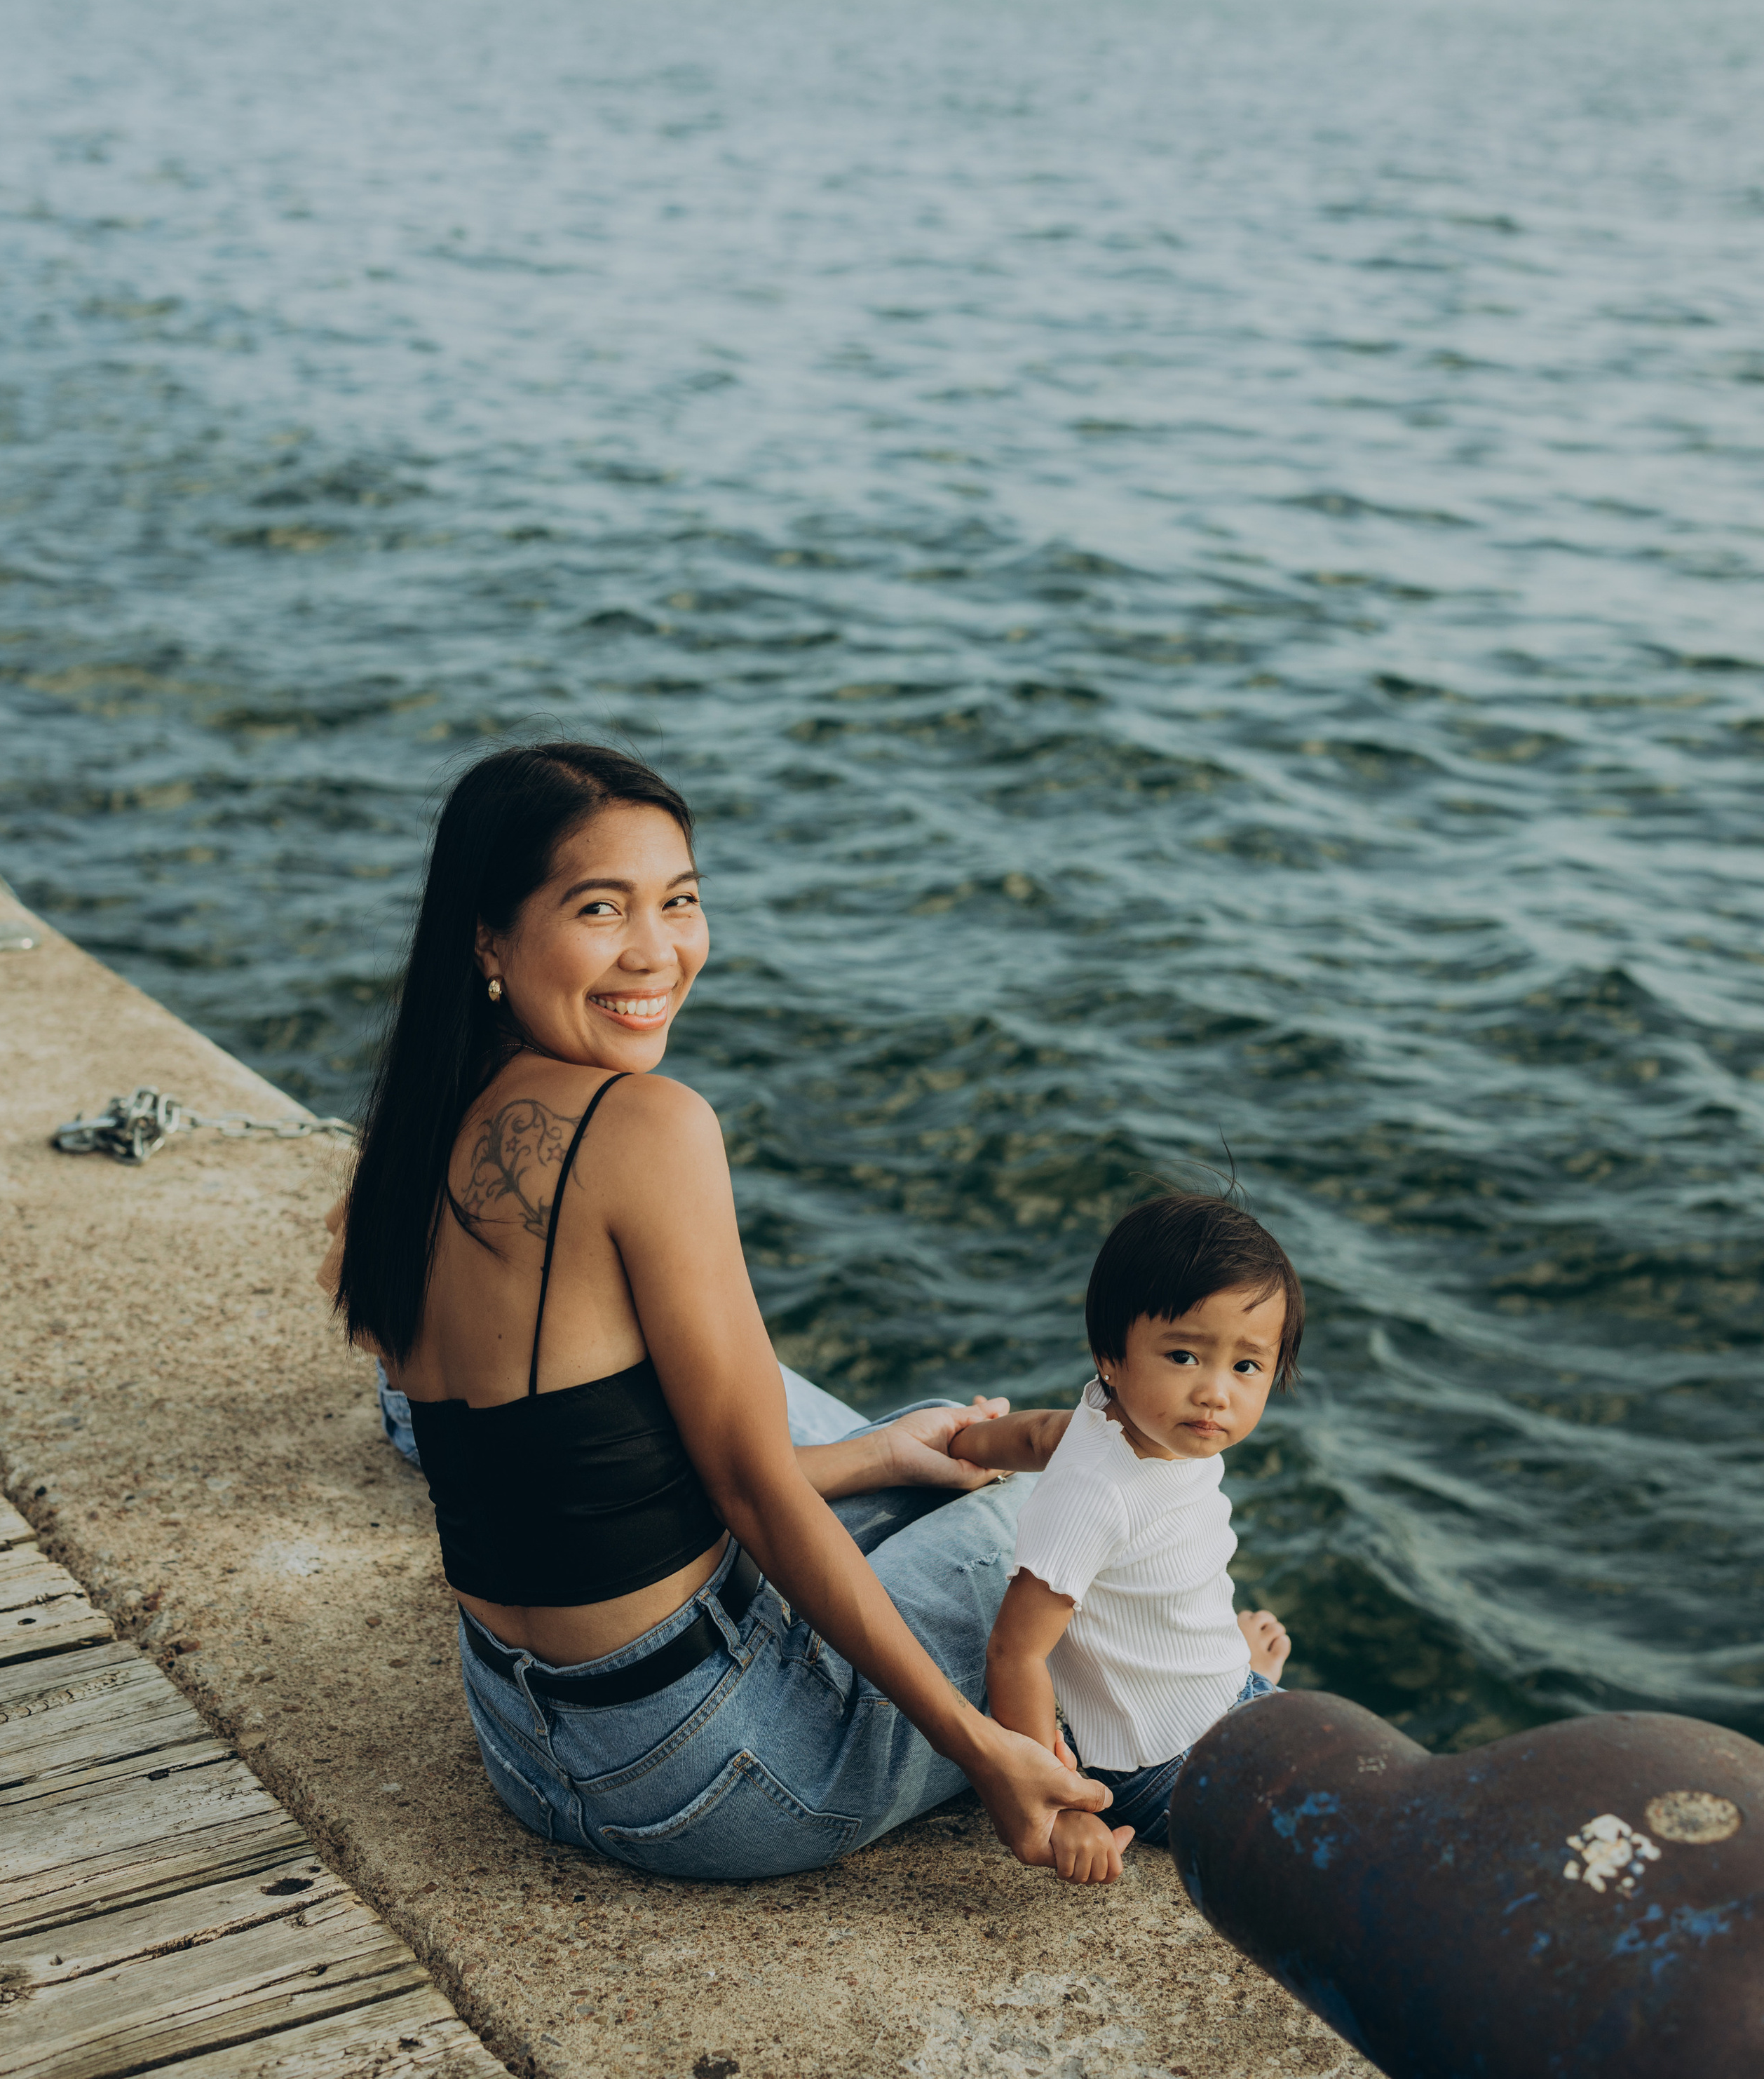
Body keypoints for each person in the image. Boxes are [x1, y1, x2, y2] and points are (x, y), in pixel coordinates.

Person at [327, 739, 1112, 1880]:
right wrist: (979, 1746)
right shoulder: (648, 1127)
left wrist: (867, 1458)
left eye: (680, 901)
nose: (659, 951)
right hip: (712, 1774)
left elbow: (570, 1468)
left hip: (529, 1739)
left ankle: (897, 1455)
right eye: (602, 908)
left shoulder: (404, 1145)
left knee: (926, 1435)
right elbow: (748, 1490)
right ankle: (1228, 1685)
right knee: (1056, 1517)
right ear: (489, 937)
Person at [945, 1194, 1300, 1881]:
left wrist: (966, 1443)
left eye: (1246, 1366)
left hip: (1210, 1698)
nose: (1215, 1393)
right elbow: (1014, 1653)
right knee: (1314, 1834)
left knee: (1345, 1750)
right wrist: (1059, 1805)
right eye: (1183, 1355)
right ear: (1111, 1354)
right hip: (1154, 1757)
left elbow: (1041, 1433)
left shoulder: (1141, 1424)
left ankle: (1232, 1676)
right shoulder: (1098, 1493)